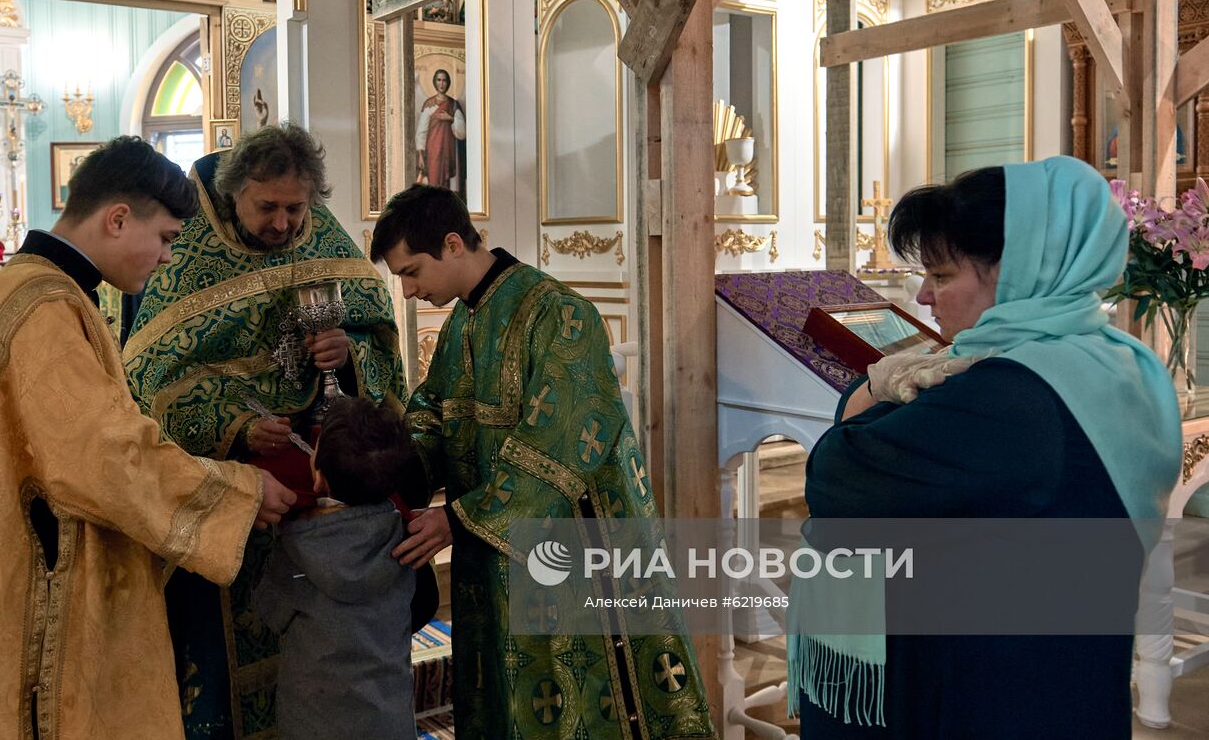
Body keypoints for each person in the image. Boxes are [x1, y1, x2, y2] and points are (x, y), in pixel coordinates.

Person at [0, 137, 297, 740]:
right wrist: (237, 491)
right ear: (118, 218)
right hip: (49, 585)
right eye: (166, 239)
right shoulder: (43, 307)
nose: (168, 258)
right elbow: (104, 456)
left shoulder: (44, 288)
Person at [790, 157, 1183, 738]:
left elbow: (834, 476)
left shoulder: (1011, 395)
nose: (923, 297)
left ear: (1021, 270)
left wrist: (873, 386)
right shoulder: (1117, 361)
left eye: (943, 276)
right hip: (1064, 676)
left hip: (983, 694)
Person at [371, 184, 716, 740]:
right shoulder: (463, 322)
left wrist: (455, 520)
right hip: (494, 552)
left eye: (412, 272)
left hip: (576, 549)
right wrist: (390, 470)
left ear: (453, 245)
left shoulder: (558, 314)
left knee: (584, 699)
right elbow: (433, 414)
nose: (408, 291)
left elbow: (558, 445)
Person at [125, 123, 406, 740]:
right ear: (235, 195)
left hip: (317, 477)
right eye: (267, 208)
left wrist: (350, 352)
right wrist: (235, 425)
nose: (284, 223)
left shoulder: (320, 233)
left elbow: (378, 333)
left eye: (296, 208)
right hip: (231, 480)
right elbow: (148, 379)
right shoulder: (189, 242)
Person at [253, 396, 419, 740]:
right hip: (387, 719)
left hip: (315, 721)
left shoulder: (297, 547)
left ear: (317, 477)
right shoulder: (405, 540)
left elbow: (270, 610)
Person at [415, 68, 466, 200]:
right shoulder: (428, 104)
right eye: (439, 80)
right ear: (434, 82)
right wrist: (420, 155)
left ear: (448, 82)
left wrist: (451, 118)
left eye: (444, 80)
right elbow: (422, 131)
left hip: (448, 150)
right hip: (432, 151)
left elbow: (462, 132)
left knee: (446, 188)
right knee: (433, 184)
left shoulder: (453, 104)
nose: (441, 83)